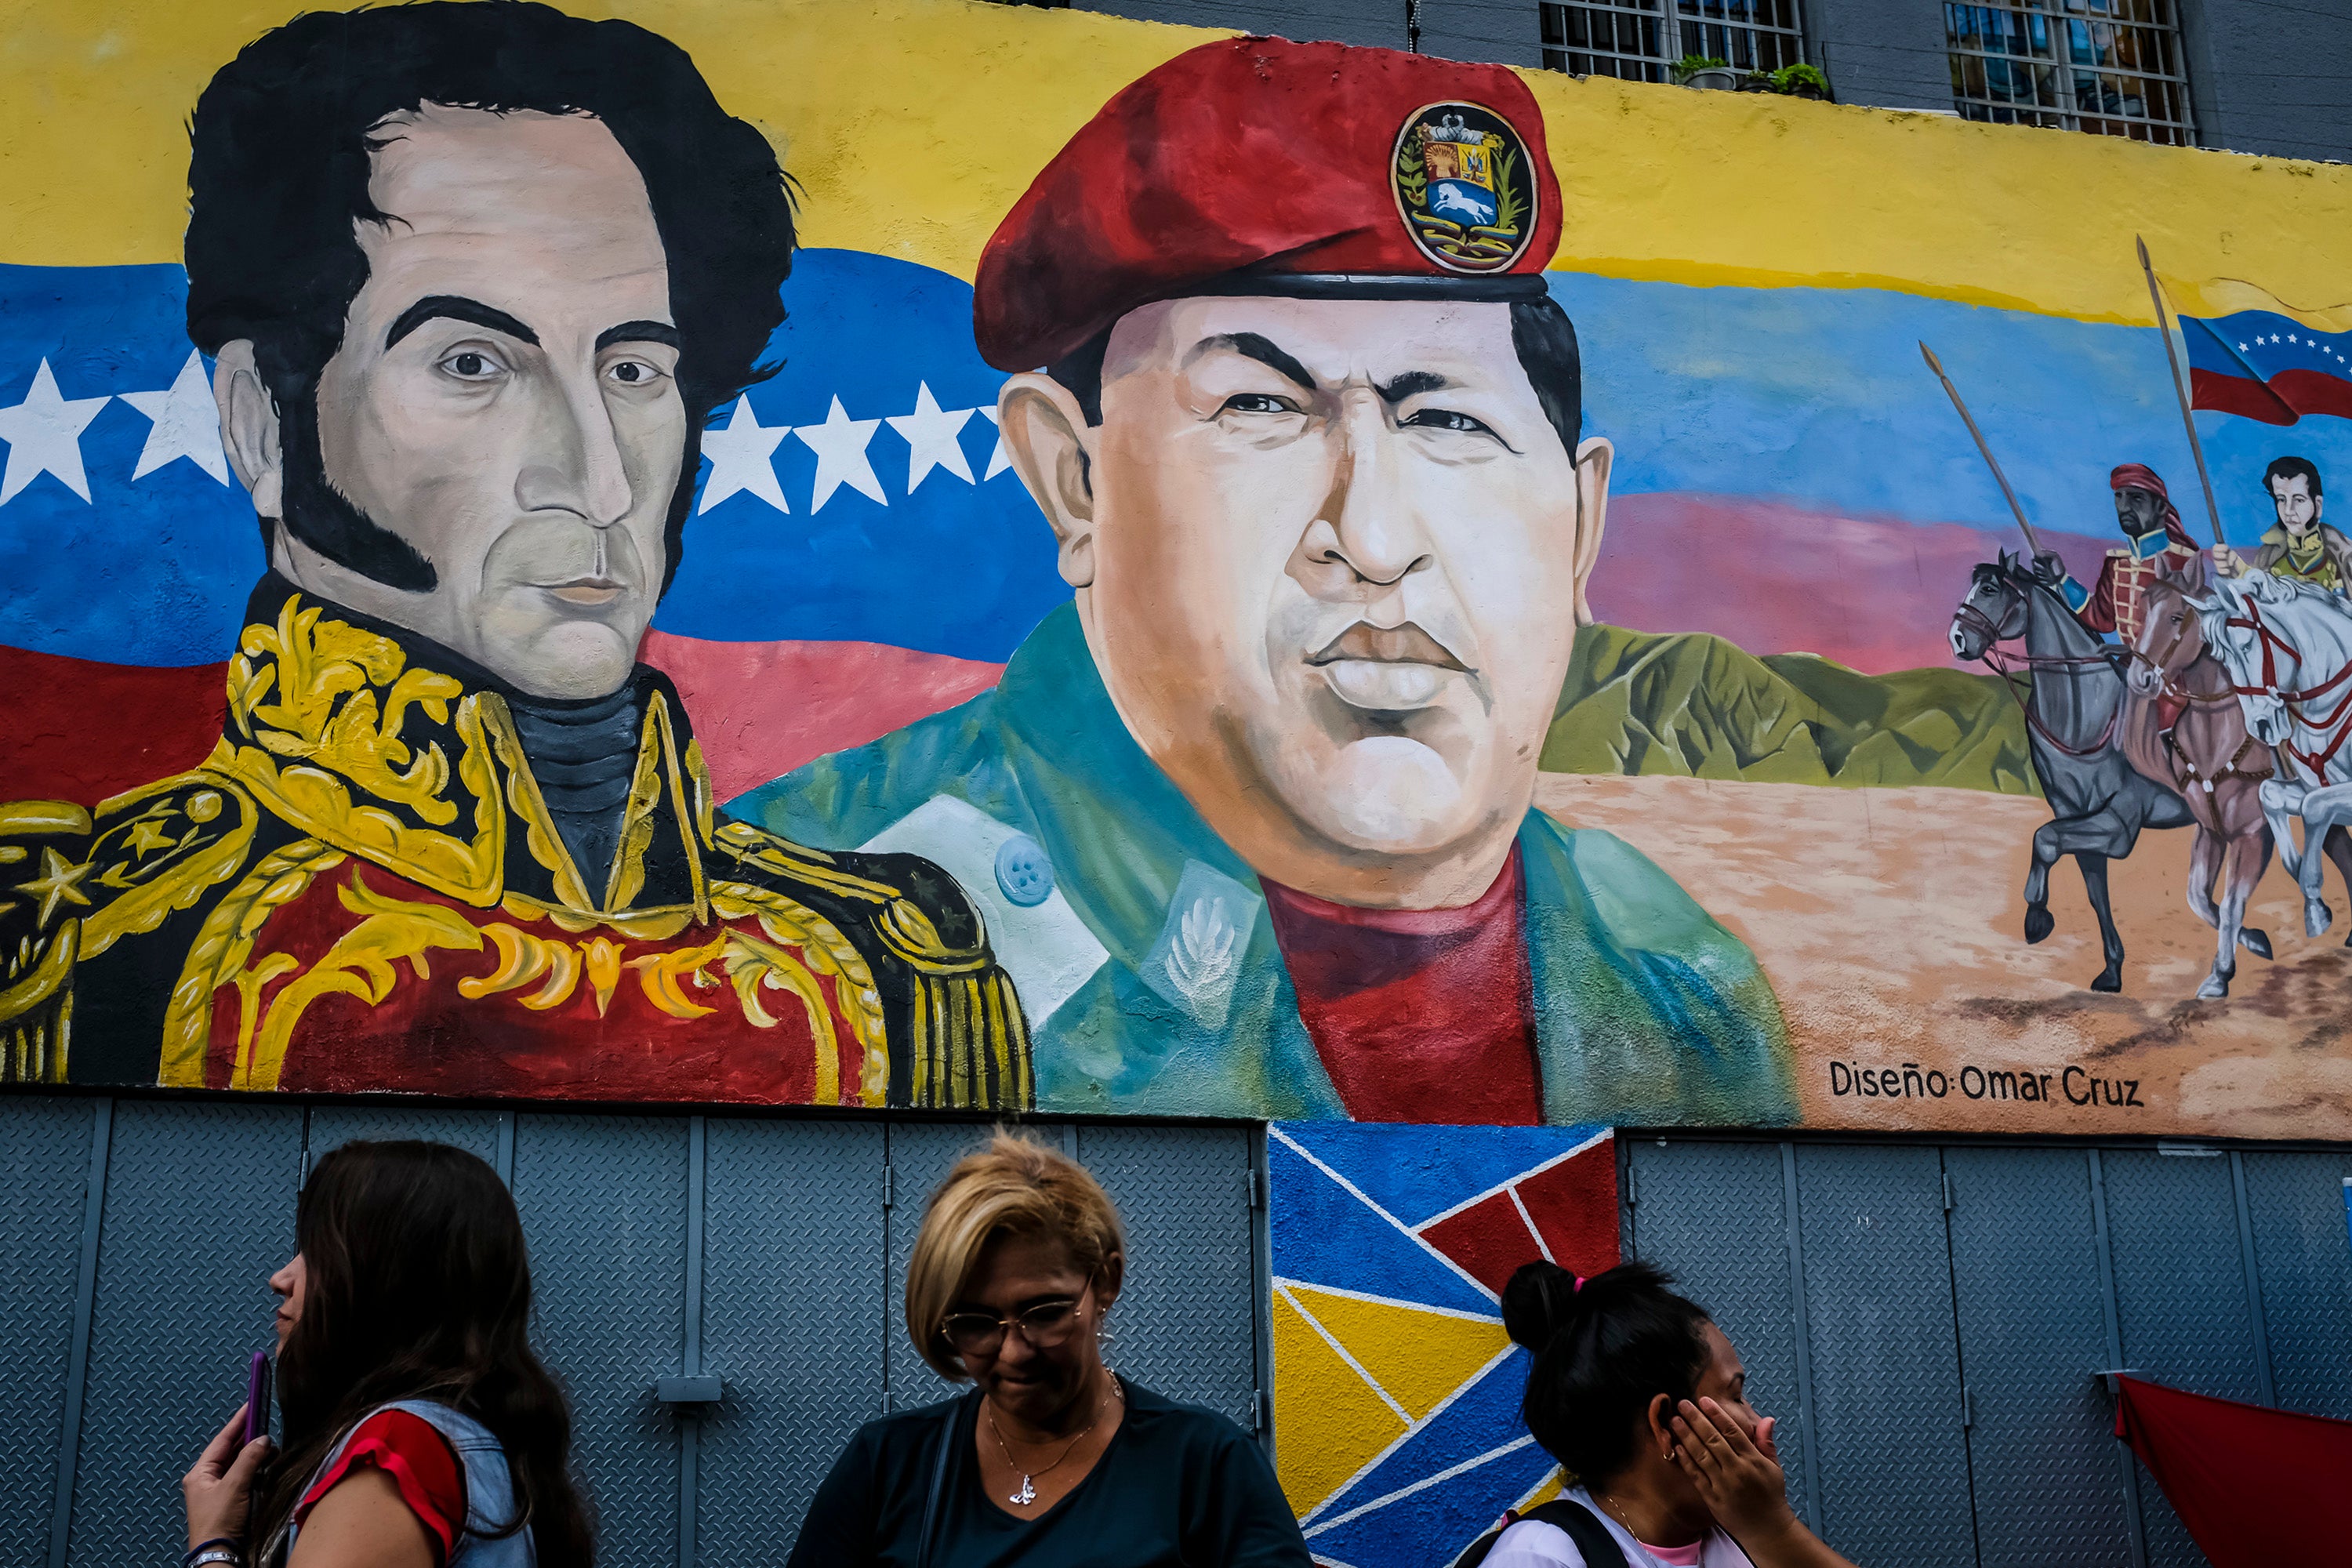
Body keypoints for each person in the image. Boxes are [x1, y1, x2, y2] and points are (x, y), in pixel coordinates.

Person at [735, 38, 1794, 1129]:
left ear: (1581, 528)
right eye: (1260, 407)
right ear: (1074, 481)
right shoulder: (803, 942)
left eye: (1449, 419)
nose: (1374, 539)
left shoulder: (1685, 982)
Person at [0, 1, 1029, 1109]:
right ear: (259, 419)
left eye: (634, 370)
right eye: (475, 363)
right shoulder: (73, 947)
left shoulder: (894, 969)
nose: (598, 480)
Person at [788, 1133, 1308, 1566]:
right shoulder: (887, 1465)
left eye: (1045, 1313)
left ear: (1105, 1282)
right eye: (975, 1323)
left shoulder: (1206, 1464)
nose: (1014, 1352)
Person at [179, 1139, 592, 1568]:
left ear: (388, 1282)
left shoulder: (395, 1450)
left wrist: (213, 1545)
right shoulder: (453, 1436)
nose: (280, 1278)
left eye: (318, 1253)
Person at [1464, 1261, 1860, 1568]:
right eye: (1736, 1396)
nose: (1759, 1423)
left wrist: (1775, 1531)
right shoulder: (1546, 1556)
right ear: (1666, 1423)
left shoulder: (1746, 1539)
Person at [2034, 463, 2207, 645]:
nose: (2124, 506)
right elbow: (2103, 619)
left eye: (2136, 498)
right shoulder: (2116, 564)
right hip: (2129, 668)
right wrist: (2061, 580)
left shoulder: (2184, 563)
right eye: (2119, 497)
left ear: (2161, 508)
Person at [2214, 456, 2352, 591]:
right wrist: (2237, 572)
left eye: (2298, 500)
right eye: (2281, 499)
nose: (2288, 511)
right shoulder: (2268, 556)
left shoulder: (2344, 556)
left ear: (2318, 505)